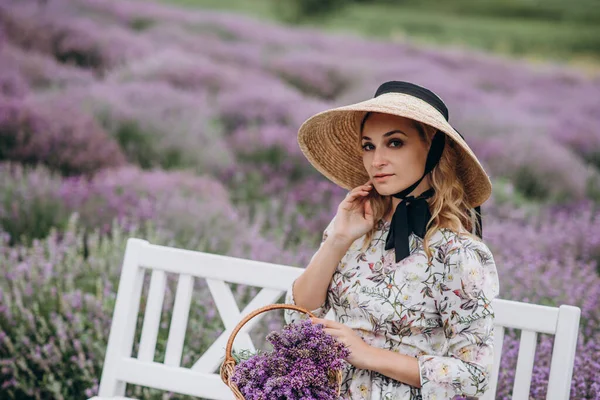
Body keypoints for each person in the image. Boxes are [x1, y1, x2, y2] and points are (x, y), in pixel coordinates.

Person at [283, 81, 500, 399]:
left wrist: (367, 354)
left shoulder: (458, 252)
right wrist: (339, 239)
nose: (376, 161)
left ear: (433, 149)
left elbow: (474, 378)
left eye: (394, 143)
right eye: (368, 146)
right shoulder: (356, 227)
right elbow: (297, 313)